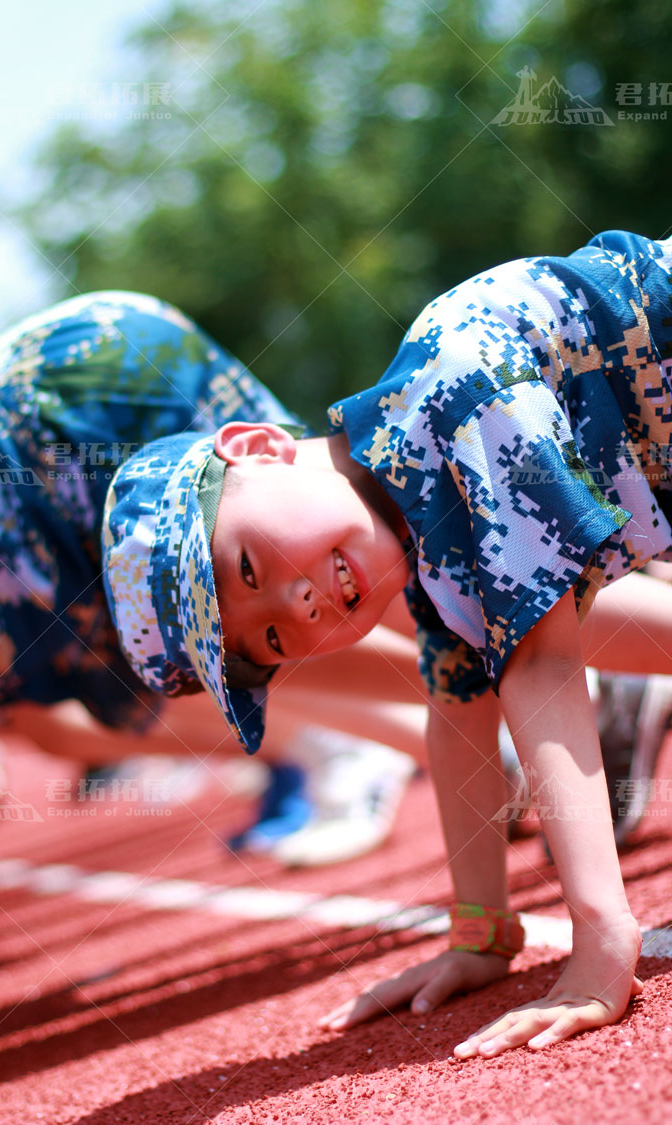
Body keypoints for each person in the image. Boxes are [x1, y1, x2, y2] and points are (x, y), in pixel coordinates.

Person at [107, 229, 672, 1058]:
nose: (298, 604)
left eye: (251, 563)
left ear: (259, 446)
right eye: (271, 634)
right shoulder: (420, 534)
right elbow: (461, 711)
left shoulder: (456, 393)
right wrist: (481, 931)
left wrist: (599, 935)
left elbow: (542, 663)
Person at [0, 291, 425, 859]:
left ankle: (489, 681)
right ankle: (444, 724)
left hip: (75, 403)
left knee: (305, 544)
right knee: (227, 636)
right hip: (5, 561)